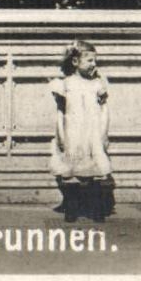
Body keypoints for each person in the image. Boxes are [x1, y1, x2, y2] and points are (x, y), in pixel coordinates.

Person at [49, 40, 113, 222]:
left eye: (95, 60)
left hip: (91, 133)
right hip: (73, 134)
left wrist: (104, 132)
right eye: (90, 60)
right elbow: (60, 113)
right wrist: (61, 135)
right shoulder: (65, 85)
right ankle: (72, 207)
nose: (94, 64)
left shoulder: (97, 85)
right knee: (71, 170)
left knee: (94, 171)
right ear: (75, 62)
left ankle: (96, 209)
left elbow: (104, 110)